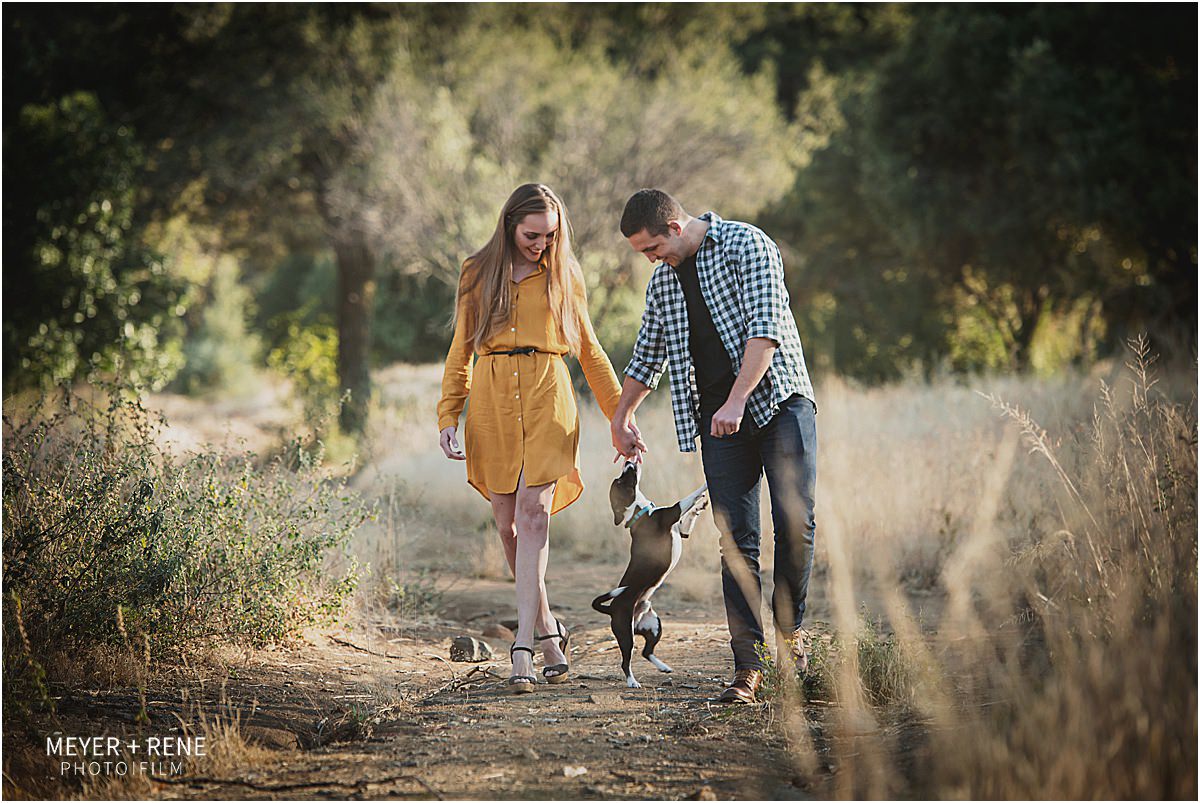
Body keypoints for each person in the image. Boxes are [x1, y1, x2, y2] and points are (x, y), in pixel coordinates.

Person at [610, 189, 817, 704]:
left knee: (796, 524)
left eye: (652, 249)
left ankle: (790, 637)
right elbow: (647, 353)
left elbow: (765, 332)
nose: (650, 260)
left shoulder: (748, 245)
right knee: (736, 539)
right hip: (720, 424)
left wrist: (737, 398)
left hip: (779, 402)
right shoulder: (663, 282)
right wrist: (622, 415)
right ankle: (749, 666)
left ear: (675, 228)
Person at [437, 183, 624, 694]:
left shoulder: (565, 273)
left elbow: (590, 352)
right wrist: (448, 415)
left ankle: (521, 644)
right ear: (509, 225)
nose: (541, 244)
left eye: (550, 235)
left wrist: (618, 416)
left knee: (533, 512)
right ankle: (546, 631)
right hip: (493, 401)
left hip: (548, 395)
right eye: (532, 235)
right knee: (506, 523)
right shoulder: (477, 272)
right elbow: (461, 350)